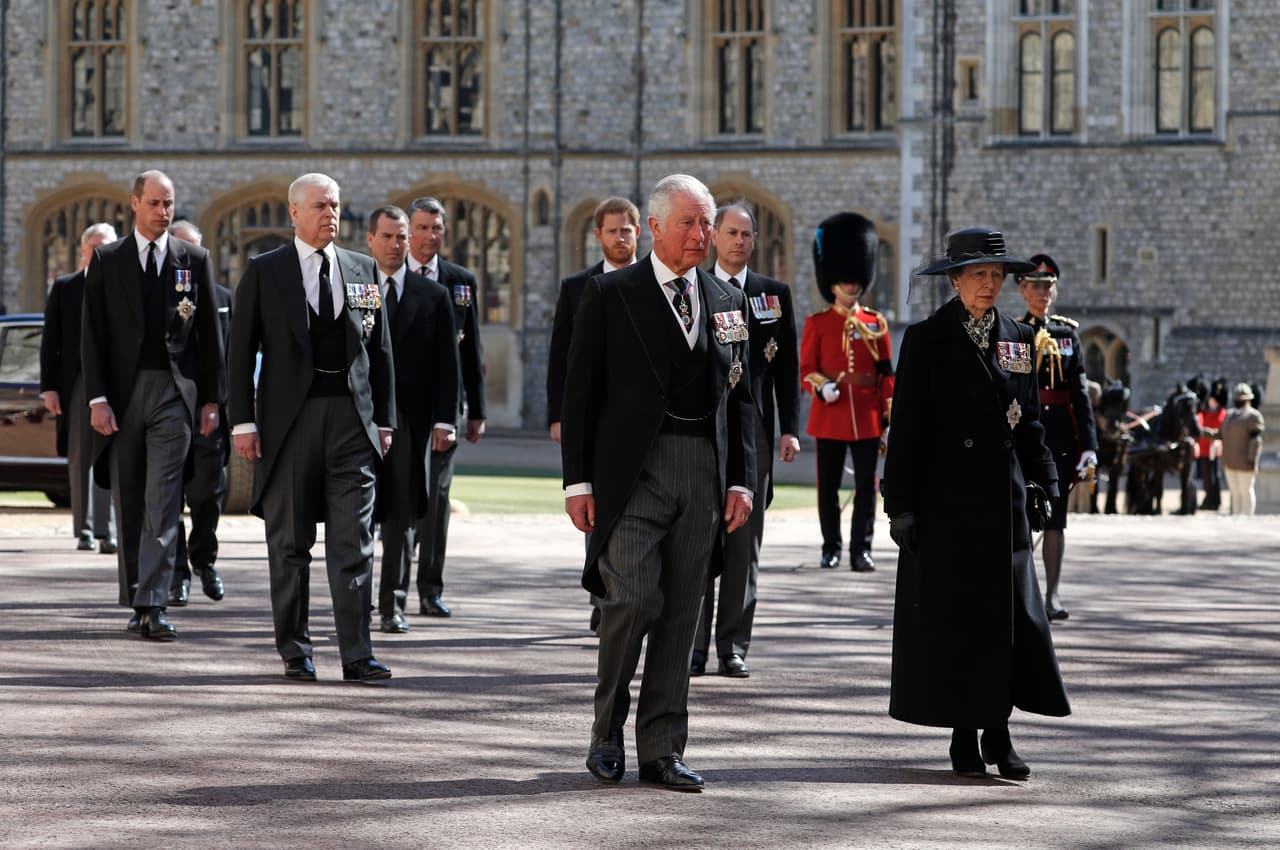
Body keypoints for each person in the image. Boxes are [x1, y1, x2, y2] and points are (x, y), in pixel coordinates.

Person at [561, 174, 755, 792]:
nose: (702, 235)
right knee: (635, 598)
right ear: (654, 228)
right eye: (690, 224)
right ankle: (606, 731)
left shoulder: (728, 300)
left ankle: (663, 750)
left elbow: (743, 398)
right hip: (632, 474)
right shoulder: (611, 293)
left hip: (704, 469)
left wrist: (742, 481)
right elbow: (581, 392)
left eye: (707, 223)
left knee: (681, 615)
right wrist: (577, 483)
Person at [883, 226, 1069, 779]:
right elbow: (908, 430)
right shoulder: (926, 339)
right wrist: (902, 506)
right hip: (947, 503)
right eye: (979, 275)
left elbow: (1030, 420)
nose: (990, 285)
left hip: (1003, 501)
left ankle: (1000, 731)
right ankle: (965, 733)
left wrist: (1047, 483)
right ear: (956, 280)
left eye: (996, 276)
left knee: (1008, 622)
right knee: (959, 623)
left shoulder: (1016, 337)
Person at [227, 173, 396, 682]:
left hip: (352, 422)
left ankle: (356, 654)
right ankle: (296, 652)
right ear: (294, 213)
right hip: (289, 425)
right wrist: (242, 421)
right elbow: (240, 353)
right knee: (290, 543)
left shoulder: (362, 268)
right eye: (320, 206)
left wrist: (383, 420)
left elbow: (380, 351)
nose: (331, 214)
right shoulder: (265, 271)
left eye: (336, 205)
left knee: (355, 540)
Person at [81, 170, 226, 640]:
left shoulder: (194, 258)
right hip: (122, 397)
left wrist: (210, 399)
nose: (164, 212)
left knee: (163, 501)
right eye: (156, 203)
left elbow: (209, 336)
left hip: (172, 392)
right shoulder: (107, 259)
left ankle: (155, 601)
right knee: (130, 499)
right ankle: (135, 595)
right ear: (135, 204)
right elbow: (93, 337)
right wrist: (98, 399)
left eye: (170, 204)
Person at [690, 201, 800, 679]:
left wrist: (790, 428)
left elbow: (788, 369)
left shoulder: (772, 295)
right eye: (731, 233)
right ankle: (692, 647)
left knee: (743, 541)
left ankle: (732, 644)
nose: (739, 241)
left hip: (753, 433)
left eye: (747, 235)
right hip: (702, 428)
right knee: (696, 542)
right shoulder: (695, 286)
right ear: (714, 236)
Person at [546, 196, 640, 634]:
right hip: (596, 420)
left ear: (639, 232)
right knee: (597, 513)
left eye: (627, 229)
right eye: (612, 230)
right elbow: (561, 357)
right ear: (598, 236)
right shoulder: (577, 287)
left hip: (639, 418)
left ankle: (630, 598)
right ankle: (603, 598)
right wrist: (558, 415)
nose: (620, 237)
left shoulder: (654, 283)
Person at [366, 205, 460, 634]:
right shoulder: (356, 287)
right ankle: (357, 599)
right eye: (387, 237)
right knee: (359, 514)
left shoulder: (433, 296)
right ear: (370, 240)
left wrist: (446, 419)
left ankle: (393, 604)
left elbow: (448, 365)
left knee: (401, 516)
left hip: (411, 421)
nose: (395, 245)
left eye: (401, 237)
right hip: (362, 418)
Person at [405, 197, 486, 619]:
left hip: (444, 409)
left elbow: (471, 349)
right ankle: (393, 592)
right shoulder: (387, 275)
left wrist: (476, 411)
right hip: (399, 408)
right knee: (400, 499)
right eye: (422, 227)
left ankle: (429, 589)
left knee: (437, 502)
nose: (430, 235)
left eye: (437, 228)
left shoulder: (460, 281)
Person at [799, 212, 893, 572]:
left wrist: (886, 417)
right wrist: (823, 389)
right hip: (830, 414)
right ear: (831, 282)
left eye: (855, 280)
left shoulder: (876, 322)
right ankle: (831, 547)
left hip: (867, 415)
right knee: (828, 488)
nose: (851, 286)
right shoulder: (818, 323)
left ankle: (861, 550)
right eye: (844, 280)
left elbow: (886, 373)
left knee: (867, 490)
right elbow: (807, 370)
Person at [1015, 254, 1098, 622]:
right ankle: (1021, 593)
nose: (1042, 293)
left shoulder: (1067, 335)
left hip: (1060, 437)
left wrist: (1091, 446)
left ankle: (1052, 594)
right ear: (1022, 290)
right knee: (1019, 514)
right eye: (1034, 286)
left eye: (1047, 286)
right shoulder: (1014, 332)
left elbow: (1080, 395)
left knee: (1056, 518)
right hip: (1024, 432)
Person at [39, 222, 118, 554]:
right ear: (84, 251)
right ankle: (84, 529)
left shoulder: (125, 286)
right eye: (95, 246)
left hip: (116, 383)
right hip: (78, 384)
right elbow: (50, 342)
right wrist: (50, 388)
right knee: (81, 457)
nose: (100, 252)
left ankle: (108, 530)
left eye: (107, 246)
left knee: (112, 457)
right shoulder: (66, 287)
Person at [165, 220, 231, 607]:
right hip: (172, 410)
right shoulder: (159, 298)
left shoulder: (222, 297)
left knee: (207, 496)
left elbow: (232, 356)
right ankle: (177, 575)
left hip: (210, 414)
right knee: (170, 496)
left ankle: (204, 559)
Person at [1221, 383, 1265, 516]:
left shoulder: (1253, 416)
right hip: (1230, 462)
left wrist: (1252, 460)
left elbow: (1256, 441)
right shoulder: (1229, 415)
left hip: (1245, 463)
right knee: (1235, 494)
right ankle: (1236, 518)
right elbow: (1220, 433)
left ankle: (1246, 519)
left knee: (1245, 492)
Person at [1195, 379, 1227, 512]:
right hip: (1204, 448)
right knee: (1208, 477)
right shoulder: (1206, 412)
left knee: (1213, 476)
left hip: (1214, 448)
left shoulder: (1221, 413)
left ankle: (1213, 499)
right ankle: (1211, 499)